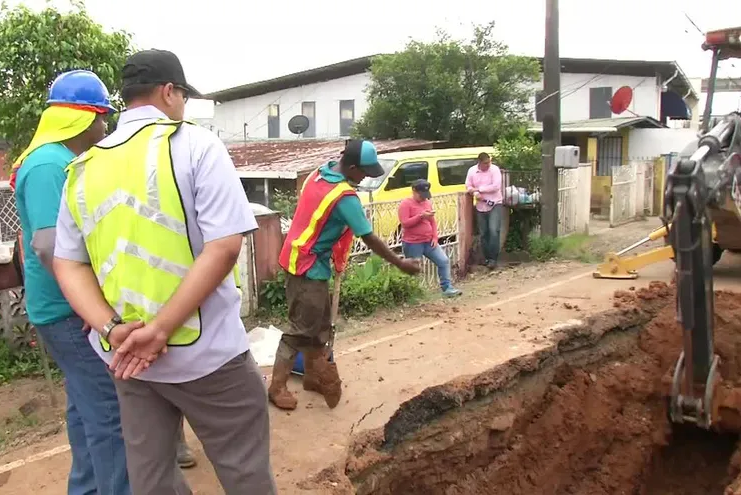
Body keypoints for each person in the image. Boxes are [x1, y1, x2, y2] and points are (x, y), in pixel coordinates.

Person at [52, 49, 275, 495]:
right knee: (243, 469)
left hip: (127, 357)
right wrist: (161, 330)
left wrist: (112, 329)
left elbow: (67, 262)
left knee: (151, 479)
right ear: (169, 92)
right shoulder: (195, 144)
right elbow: (225, 245)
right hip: (207, 355)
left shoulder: (83, 168)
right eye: (183, 97)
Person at [11, 69, 132, 495]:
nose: (105, 126)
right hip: (67, 313)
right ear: (83, 118)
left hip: (62, 309)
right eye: (102, 117)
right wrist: (91, 307)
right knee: (110, 414)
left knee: (85, 410)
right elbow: (47, 246)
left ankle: (86, 489)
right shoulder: (49, 164)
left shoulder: (61, 159)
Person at [268, 139, 422, 411]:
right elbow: (369, 238)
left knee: (320, 324)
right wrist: (399, 262)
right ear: (351, 167)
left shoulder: (320, 172)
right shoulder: (344, 197)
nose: (365, 177)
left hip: (301, 258)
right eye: (363, 171)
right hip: (306, 266)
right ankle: (277, 387)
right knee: (300, 329)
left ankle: (314, 377)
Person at [398, 179, 461, 297]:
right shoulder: (405, 204)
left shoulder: (427, 203)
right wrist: (421, 216)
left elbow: (432, 221)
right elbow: (405, 223)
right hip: (413, 242)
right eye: (421, 195)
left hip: (428, 240)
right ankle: (413, 293)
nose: (423, 198)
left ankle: (447, 287)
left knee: (443, 260)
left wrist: (435, 236)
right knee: (414, 268)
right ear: (414, 191)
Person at [465, 152, 504, 269]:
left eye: (489, 162)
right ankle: (487, 258)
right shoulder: (472, 171)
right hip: (480, 205)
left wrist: (479, 189)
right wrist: (475, 192)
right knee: (483, 233)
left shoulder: (494, 170)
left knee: (494, 230)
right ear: (480, 163)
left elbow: (496, 186)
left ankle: (493, 258)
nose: (488, 165)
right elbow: (468, 185)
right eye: (486, 163)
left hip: (495, 203)